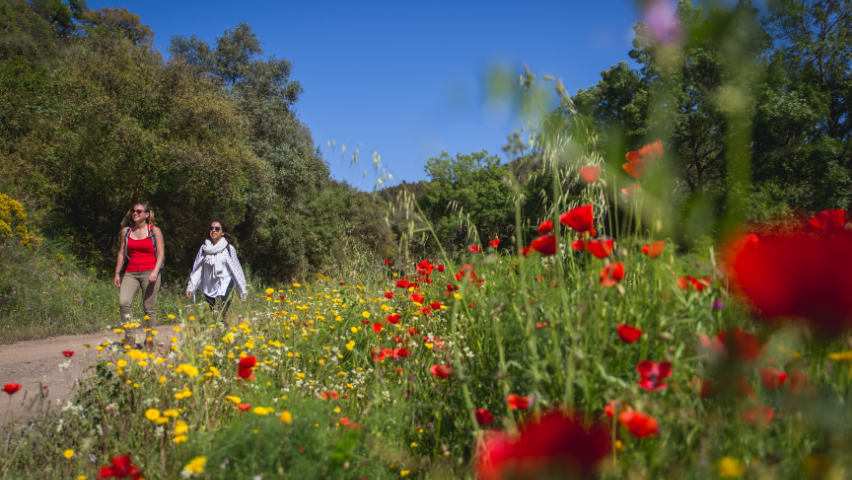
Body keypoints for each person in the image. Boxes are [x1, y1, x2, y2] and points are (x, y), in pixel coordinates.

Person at [114, 203, 164, 348]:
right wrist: (117, 272)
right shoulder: (126, 231)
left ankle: (149, 340)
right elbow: (121, 253)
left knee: (149, 309)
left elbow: (160, 253)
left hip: (150, 272)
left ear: (147, 214)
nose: (135, 213)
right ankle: (129, 337)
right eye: (133, 211)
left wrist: (155, 271)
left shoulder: (154, 231)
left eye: (139, 211)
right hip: (131, 272)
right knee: (124, 303)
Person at [185, 220, 247, 323]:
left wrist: (242, 289)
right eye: (211, 228)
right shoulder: (204, 249)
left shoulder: (228, 248)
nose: (214, 230)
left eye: (217, 229)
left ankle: (222, 334)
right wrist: (191, 286)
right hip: (209, 286)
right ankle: (221, 334)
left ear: (222, 233)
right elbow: (197, 269)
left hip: (225, 283)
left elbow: (237, 269)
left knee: (220, 311)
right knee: (215, 315)